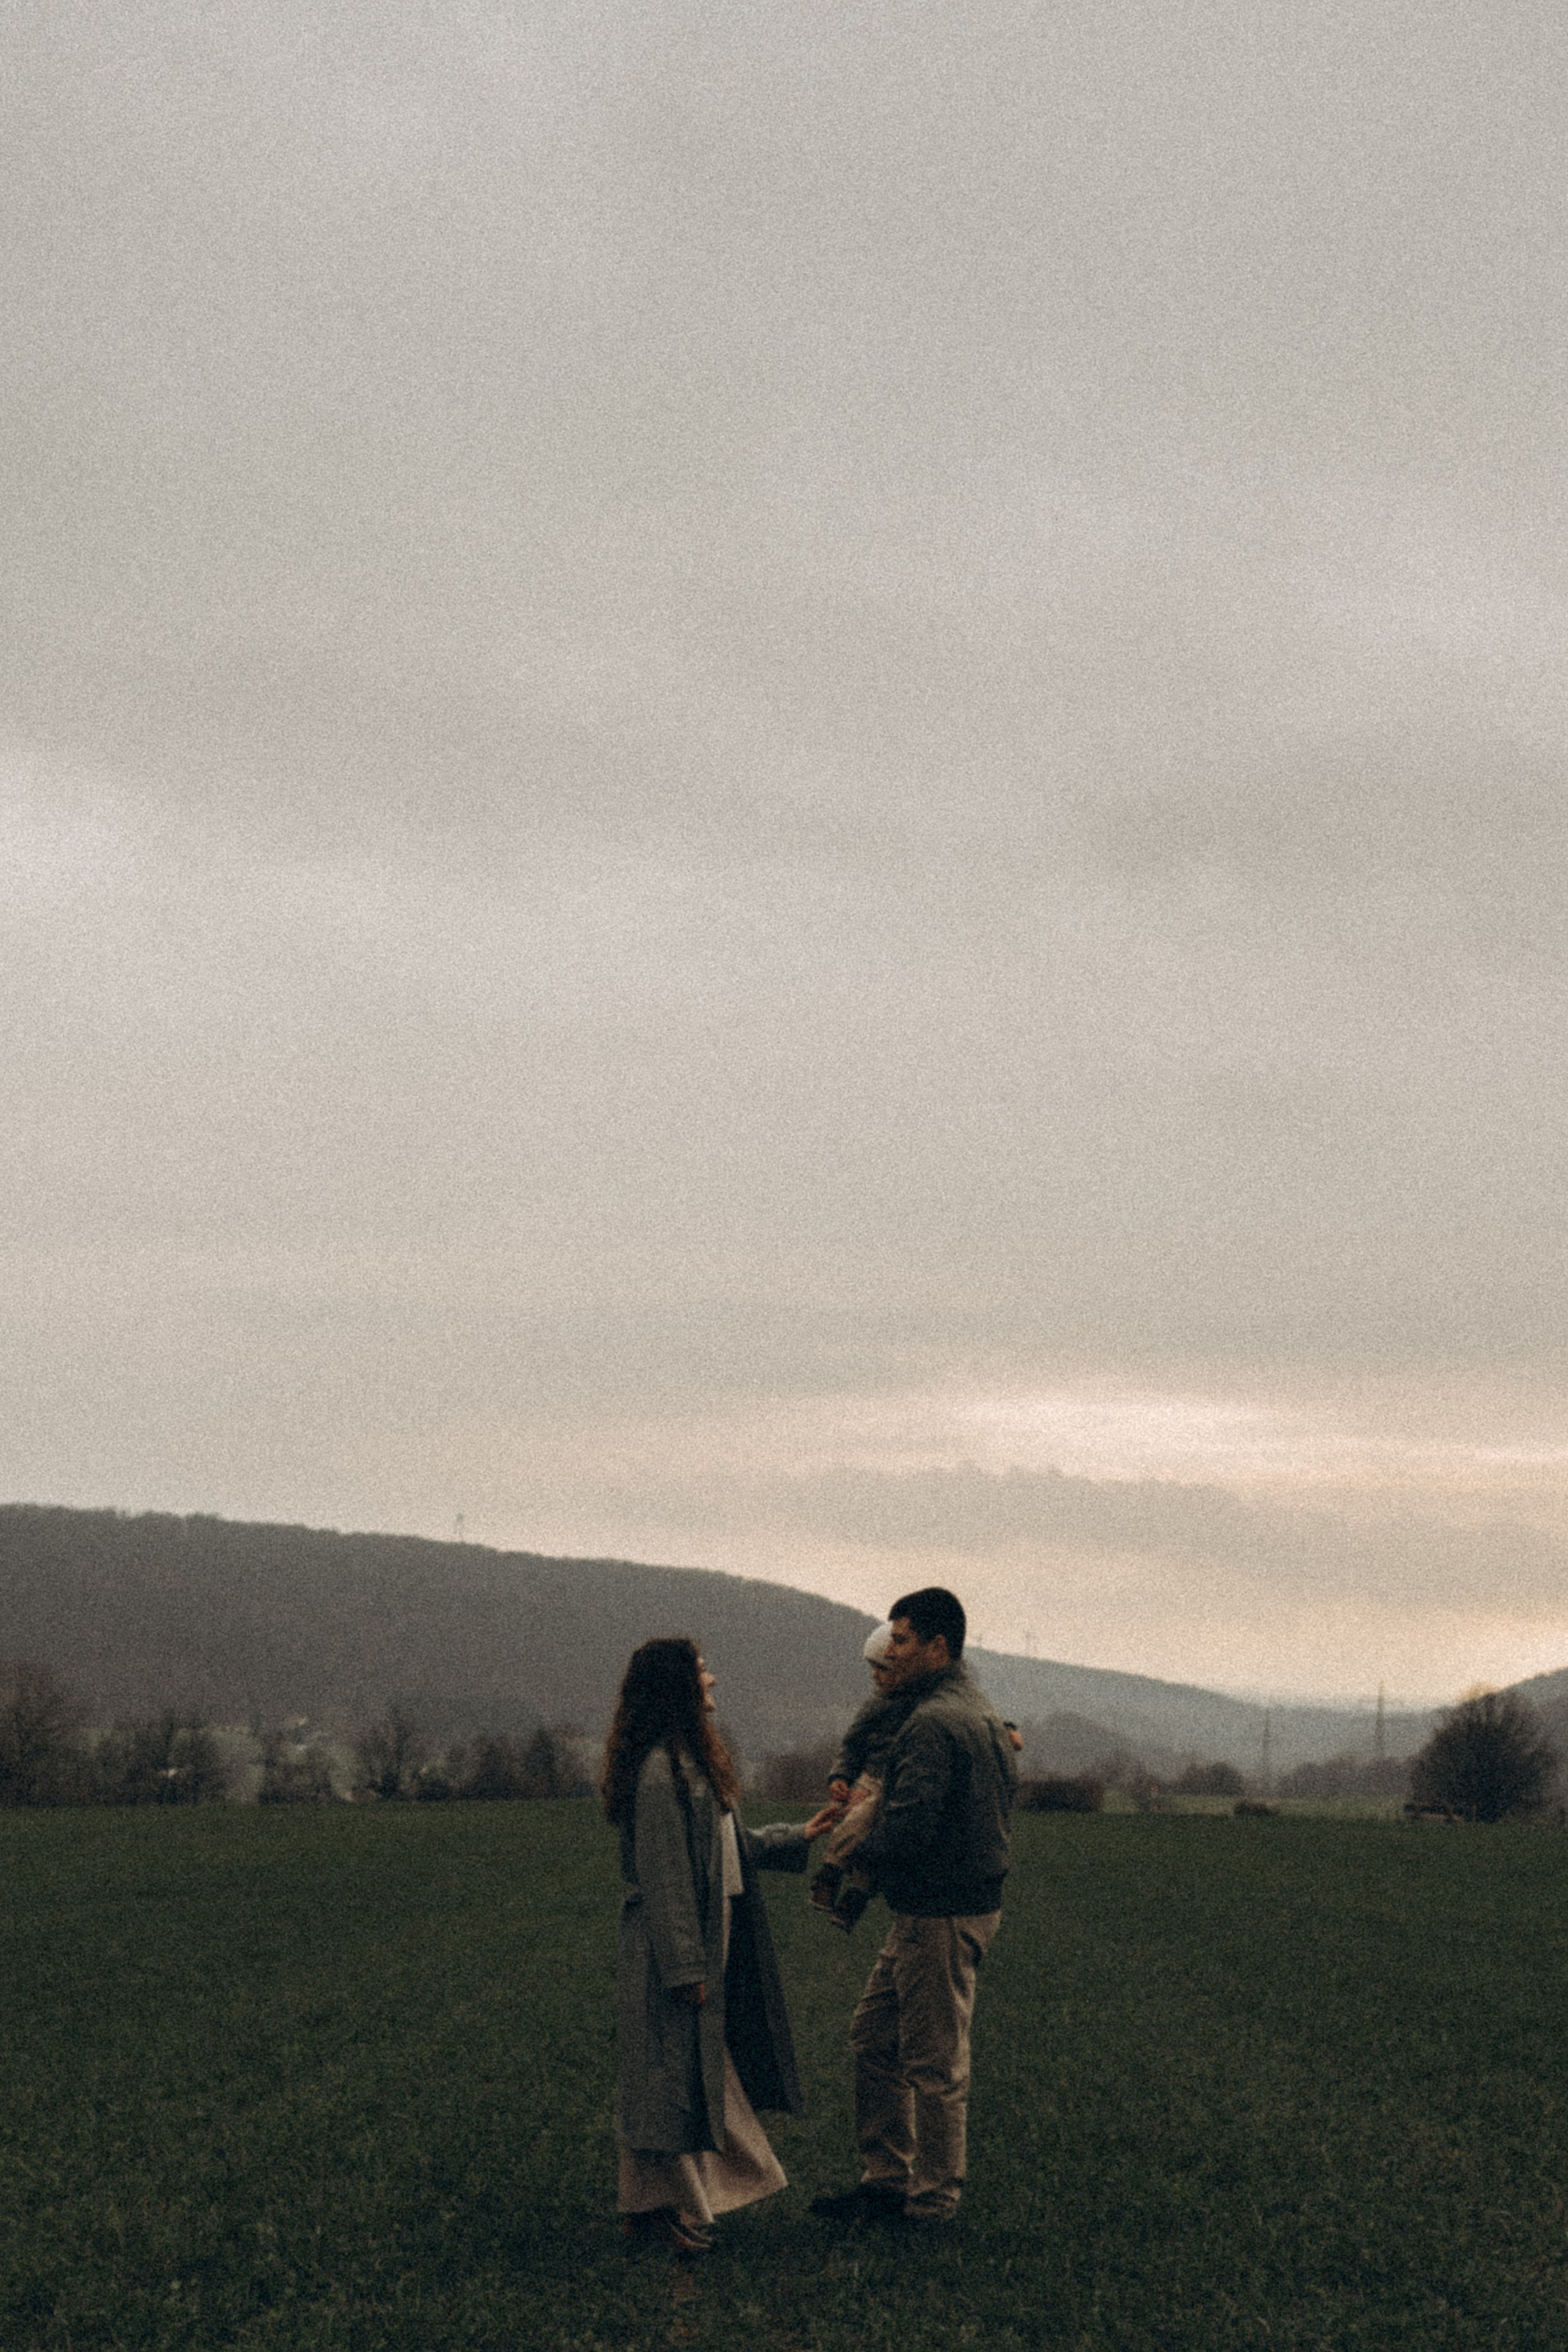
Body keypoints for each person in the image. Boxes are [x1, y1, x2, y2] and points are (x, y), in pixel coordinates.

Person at [603, 1636, 835, 2258]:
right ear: (677, 1686)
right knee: (668, 2079)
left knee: (676, 2072)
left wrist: (799, 1835)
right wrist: (686, 1968)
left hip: (711, 1934)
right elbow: (667, 1878)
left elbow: (726, 1849)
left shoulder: (687, 1763)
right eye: (703, 1671)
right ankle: (659, 2212)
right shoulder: (661, 1772)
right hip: (676, 1948)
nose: (713, 1680)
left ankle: (652, 2210)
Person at [810, 1587, 1019, 2228]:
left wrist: (851, 1855)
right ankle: (885, 2182)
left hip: (942, 1913)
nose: (890, 1651)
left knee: (933, 2064)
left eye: (901, 1640)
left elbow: (909, 1828)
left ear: (937, 1647)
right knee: (874, 2038)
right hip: (936, 1909)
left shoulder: (932, 1722)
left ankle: (930, 2204)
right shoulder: (972, 1707)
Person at [808, 1621, 922, 1932]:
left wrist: (1005, 1728)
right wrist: (841, 1776)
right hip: (873, 1780)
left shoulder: (928, 1702)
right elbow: (853, 1743)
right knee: (858, 1821)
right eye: (873, 1668)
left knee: (883, 1836)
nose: (876, 1676)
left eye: (883, 1669)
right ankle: (830, 1872)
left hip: (900, 1785)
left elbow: (967, 1713)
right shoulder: (877, 1703)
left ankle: (858, 1894)